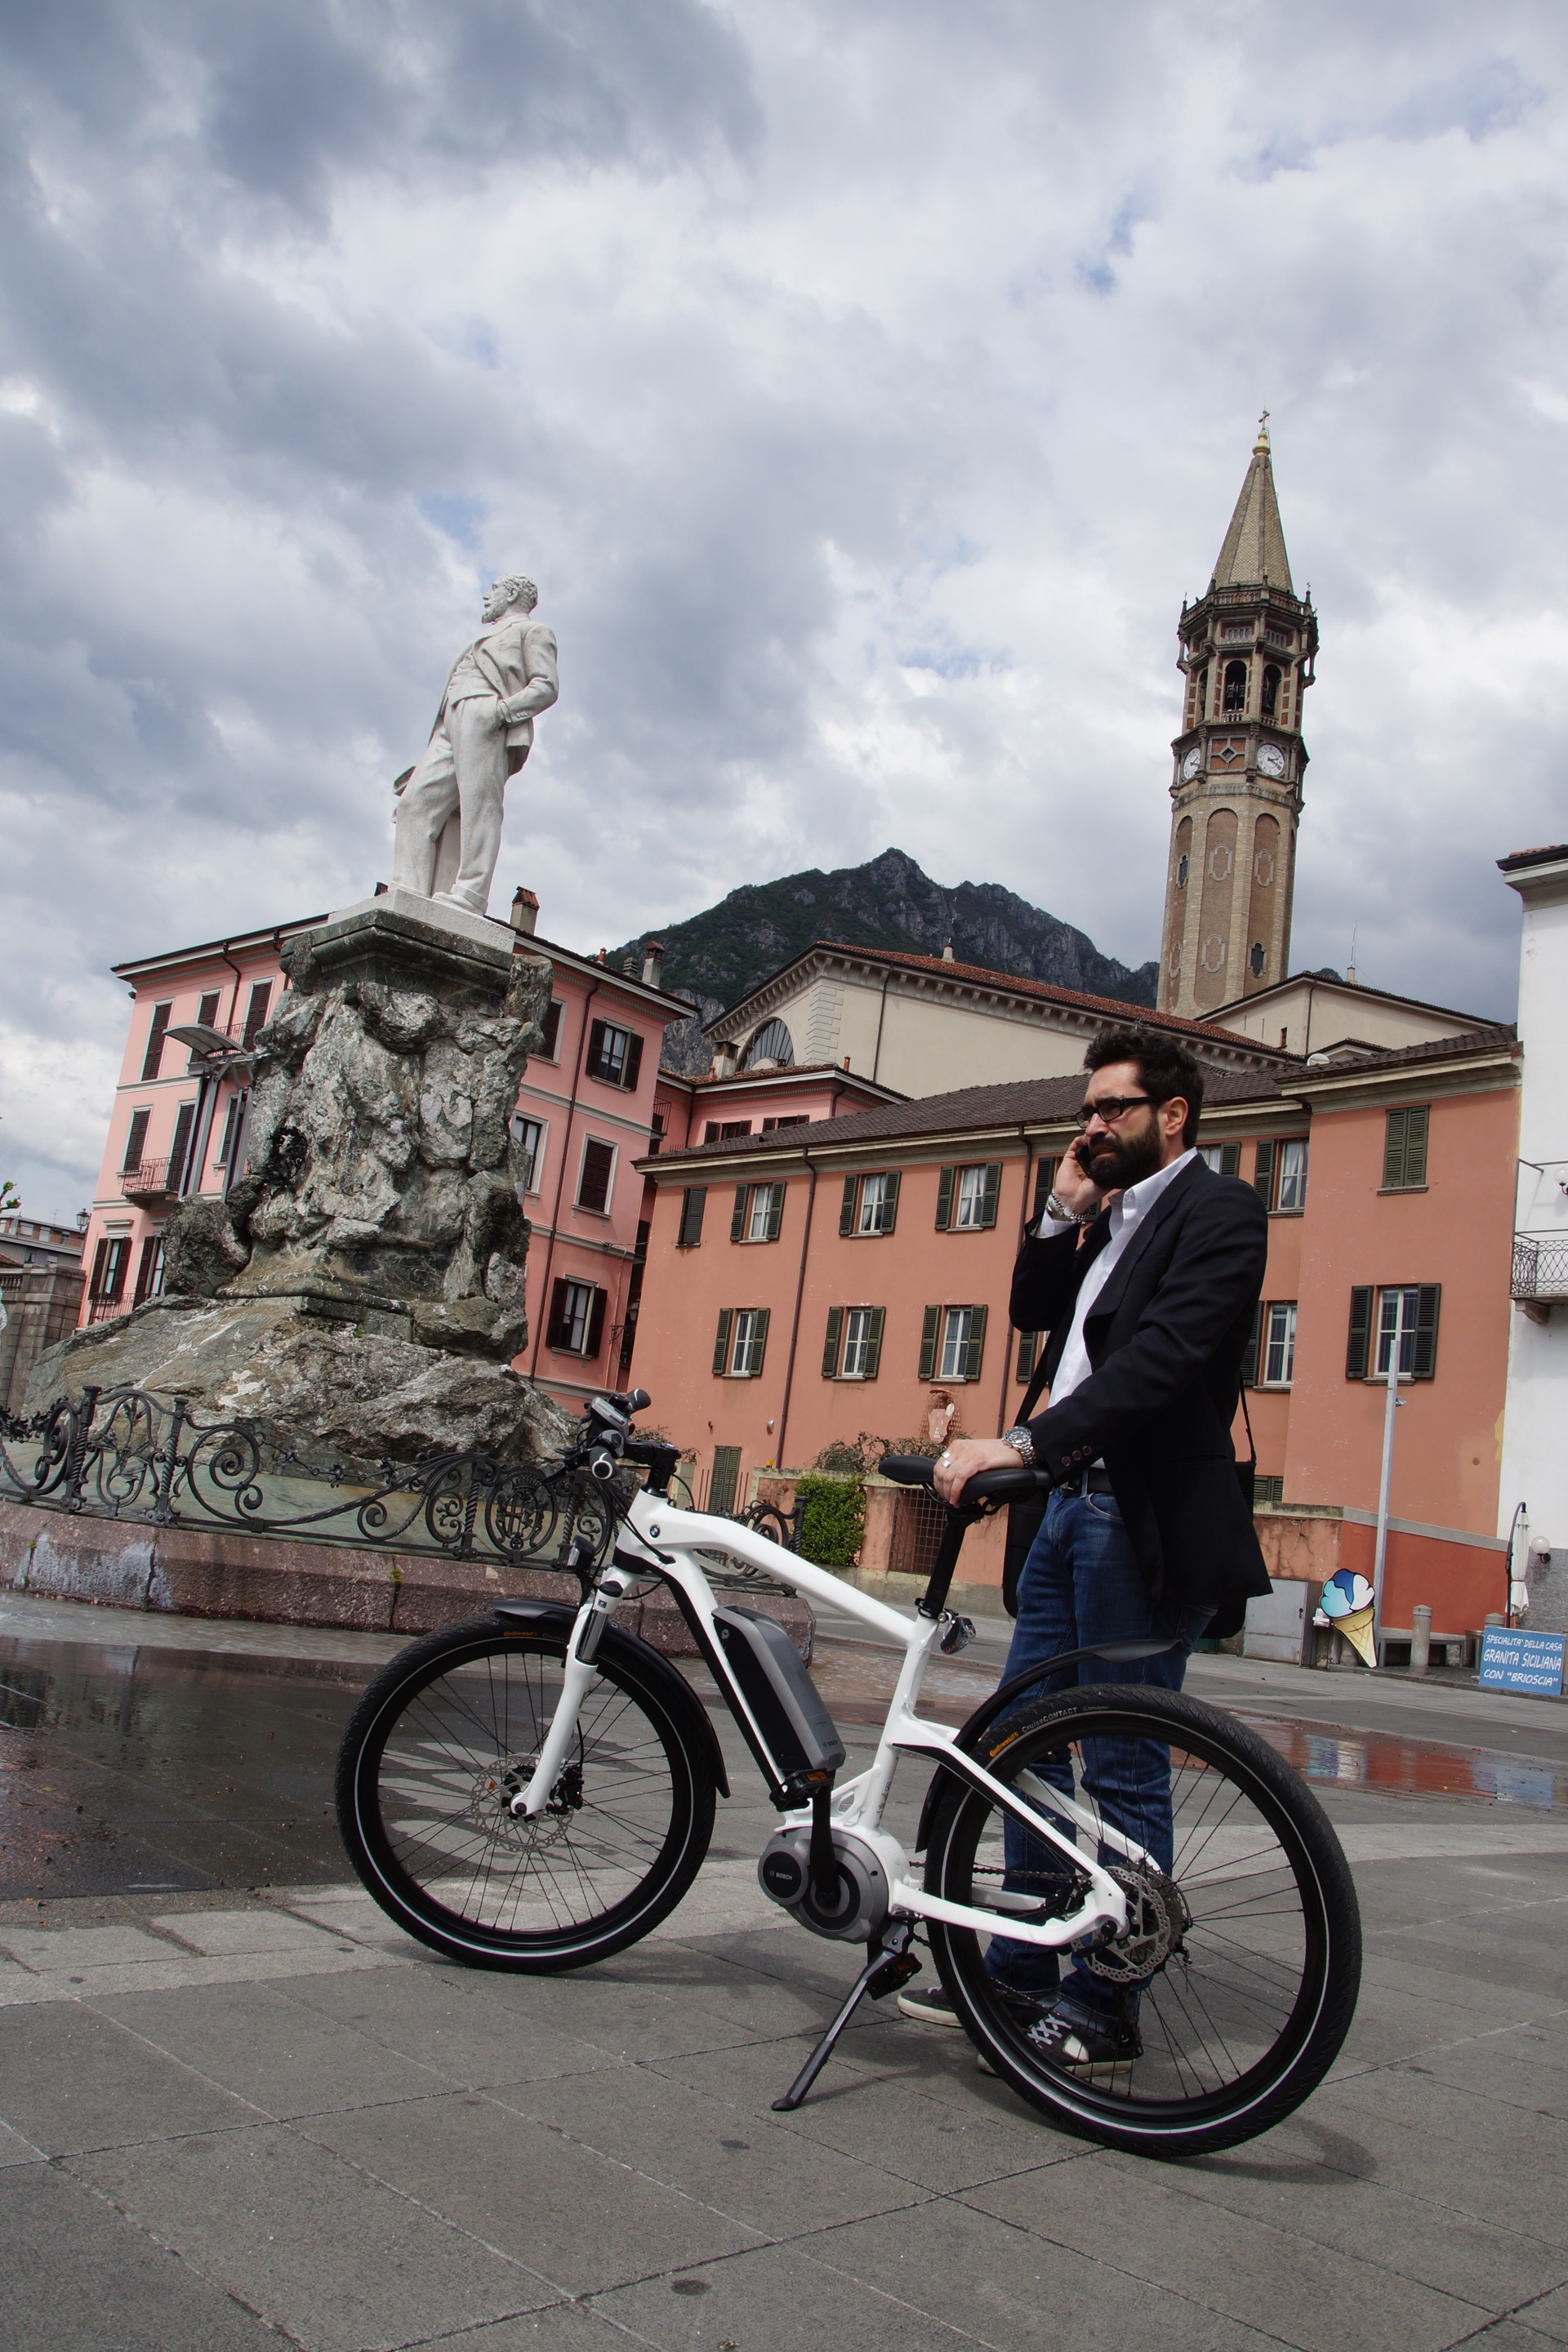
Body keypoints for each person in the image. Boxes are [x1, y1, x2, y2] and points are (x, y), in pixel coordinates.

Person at [898, 1023, 1270, 2068]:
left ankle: (1107, 2002)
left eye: (1113, 1108)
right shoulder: (1105, 1219)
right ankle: (1021, 1967)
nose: (1093, 1125)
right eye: (1087, 1111)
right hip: (1064, 1509)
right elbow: (1031, 1310)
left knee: (1122, 1755)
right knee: (1024, 1743)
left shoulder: (1220, 1212)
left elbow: (1161, 1362)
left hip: (1132, 1515)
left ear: (1174, 1115)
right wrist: (1063, 1209)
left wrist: (1023, 1442)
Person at [392, 573, 559, 918]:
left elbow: (546, 686)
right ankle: (408, 891)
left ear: (511, 593)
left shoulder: (533, 631)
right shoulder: (483, 637)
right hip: (450, 720)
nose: (487, 595)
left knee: (479, 804)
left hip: (486, 712)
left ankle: (471, 893)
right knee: (414, 803)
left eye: (494, 589)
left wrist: (501, 711)